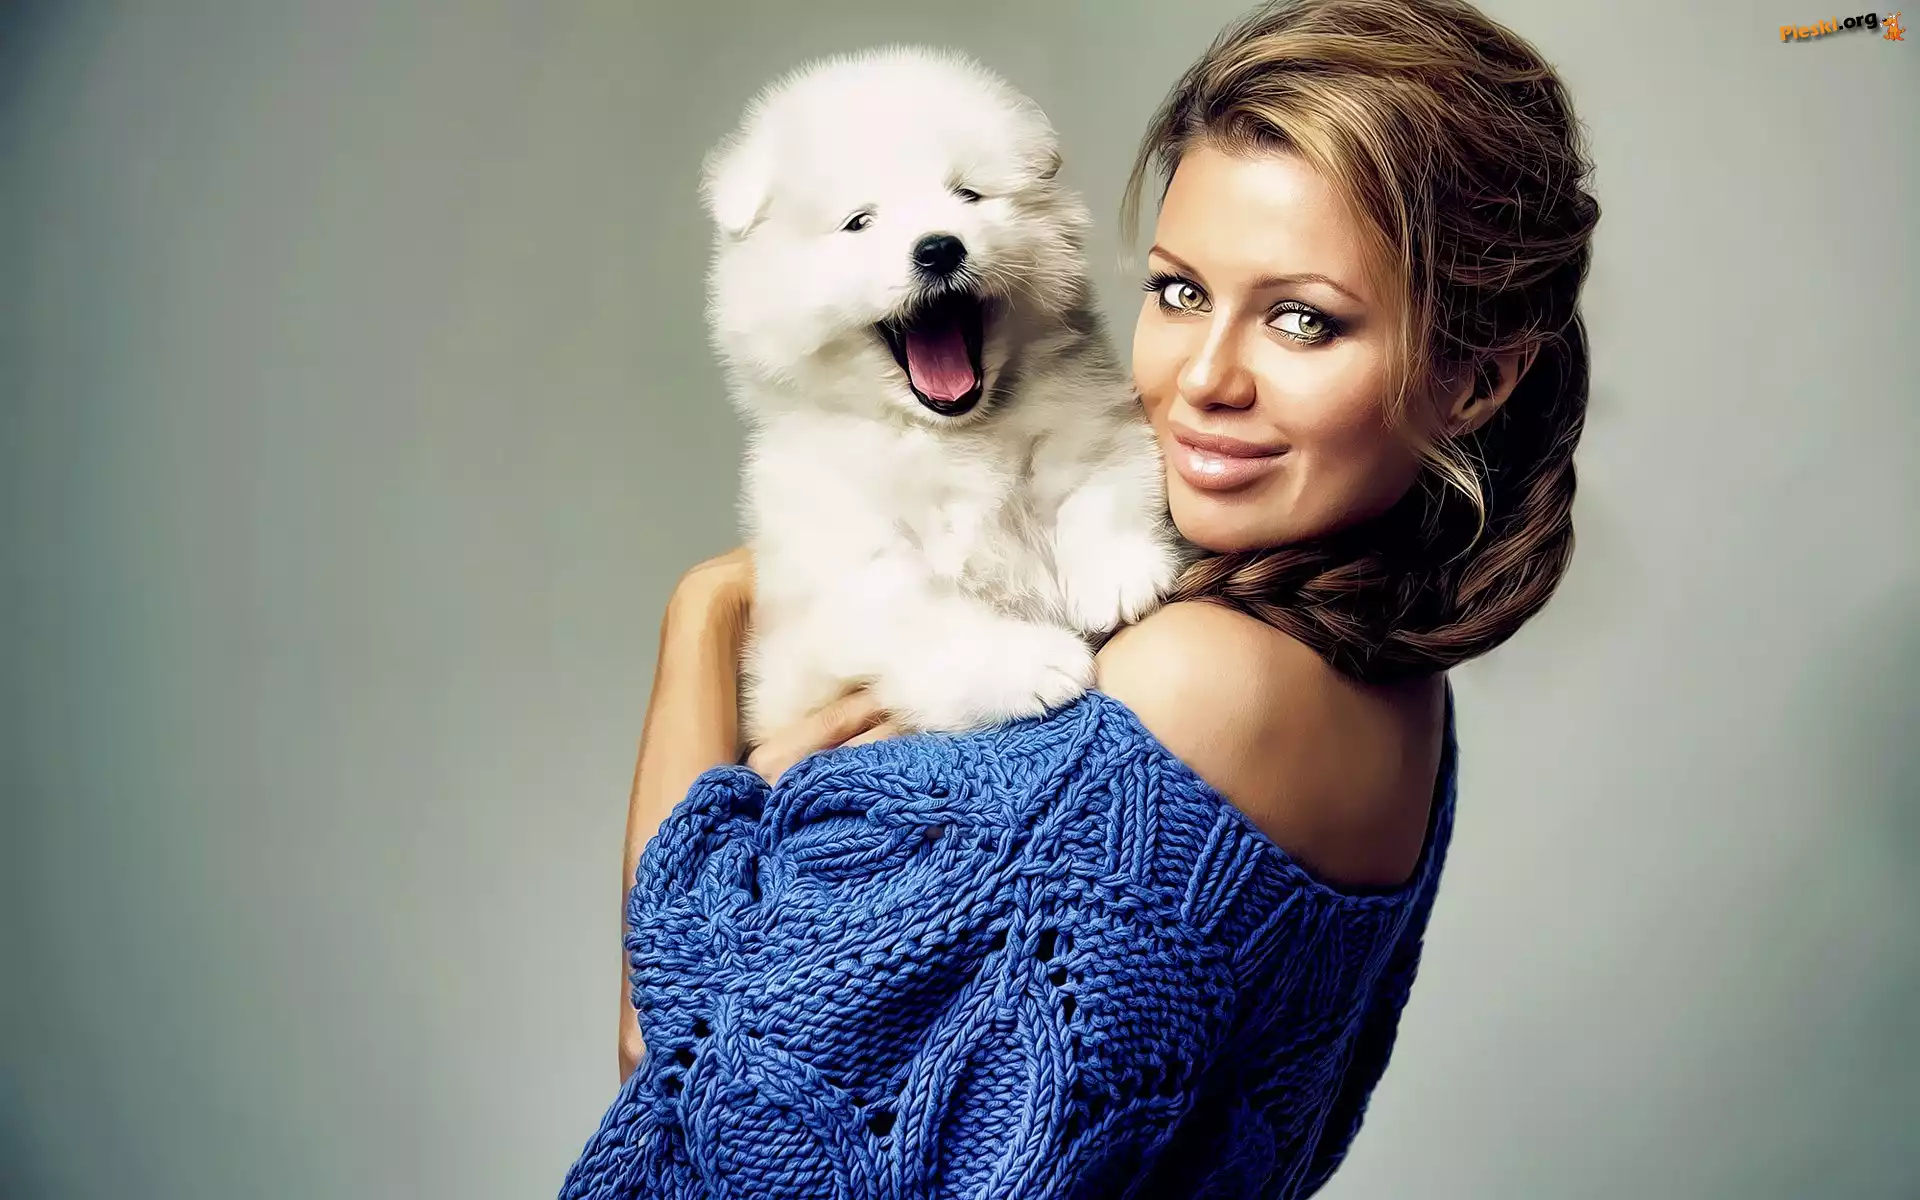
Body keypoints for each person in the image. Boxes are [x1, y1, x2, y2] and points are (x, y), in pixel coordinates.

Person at [571, 0, 1598, 1194]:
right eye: (1180, 292)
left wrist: (702, 617)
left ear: (1475, 380)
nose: (1204, 378)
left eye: (1303, 320)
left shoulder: (1190, 683)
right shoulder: (1389, 691)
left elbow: (687, 1047)